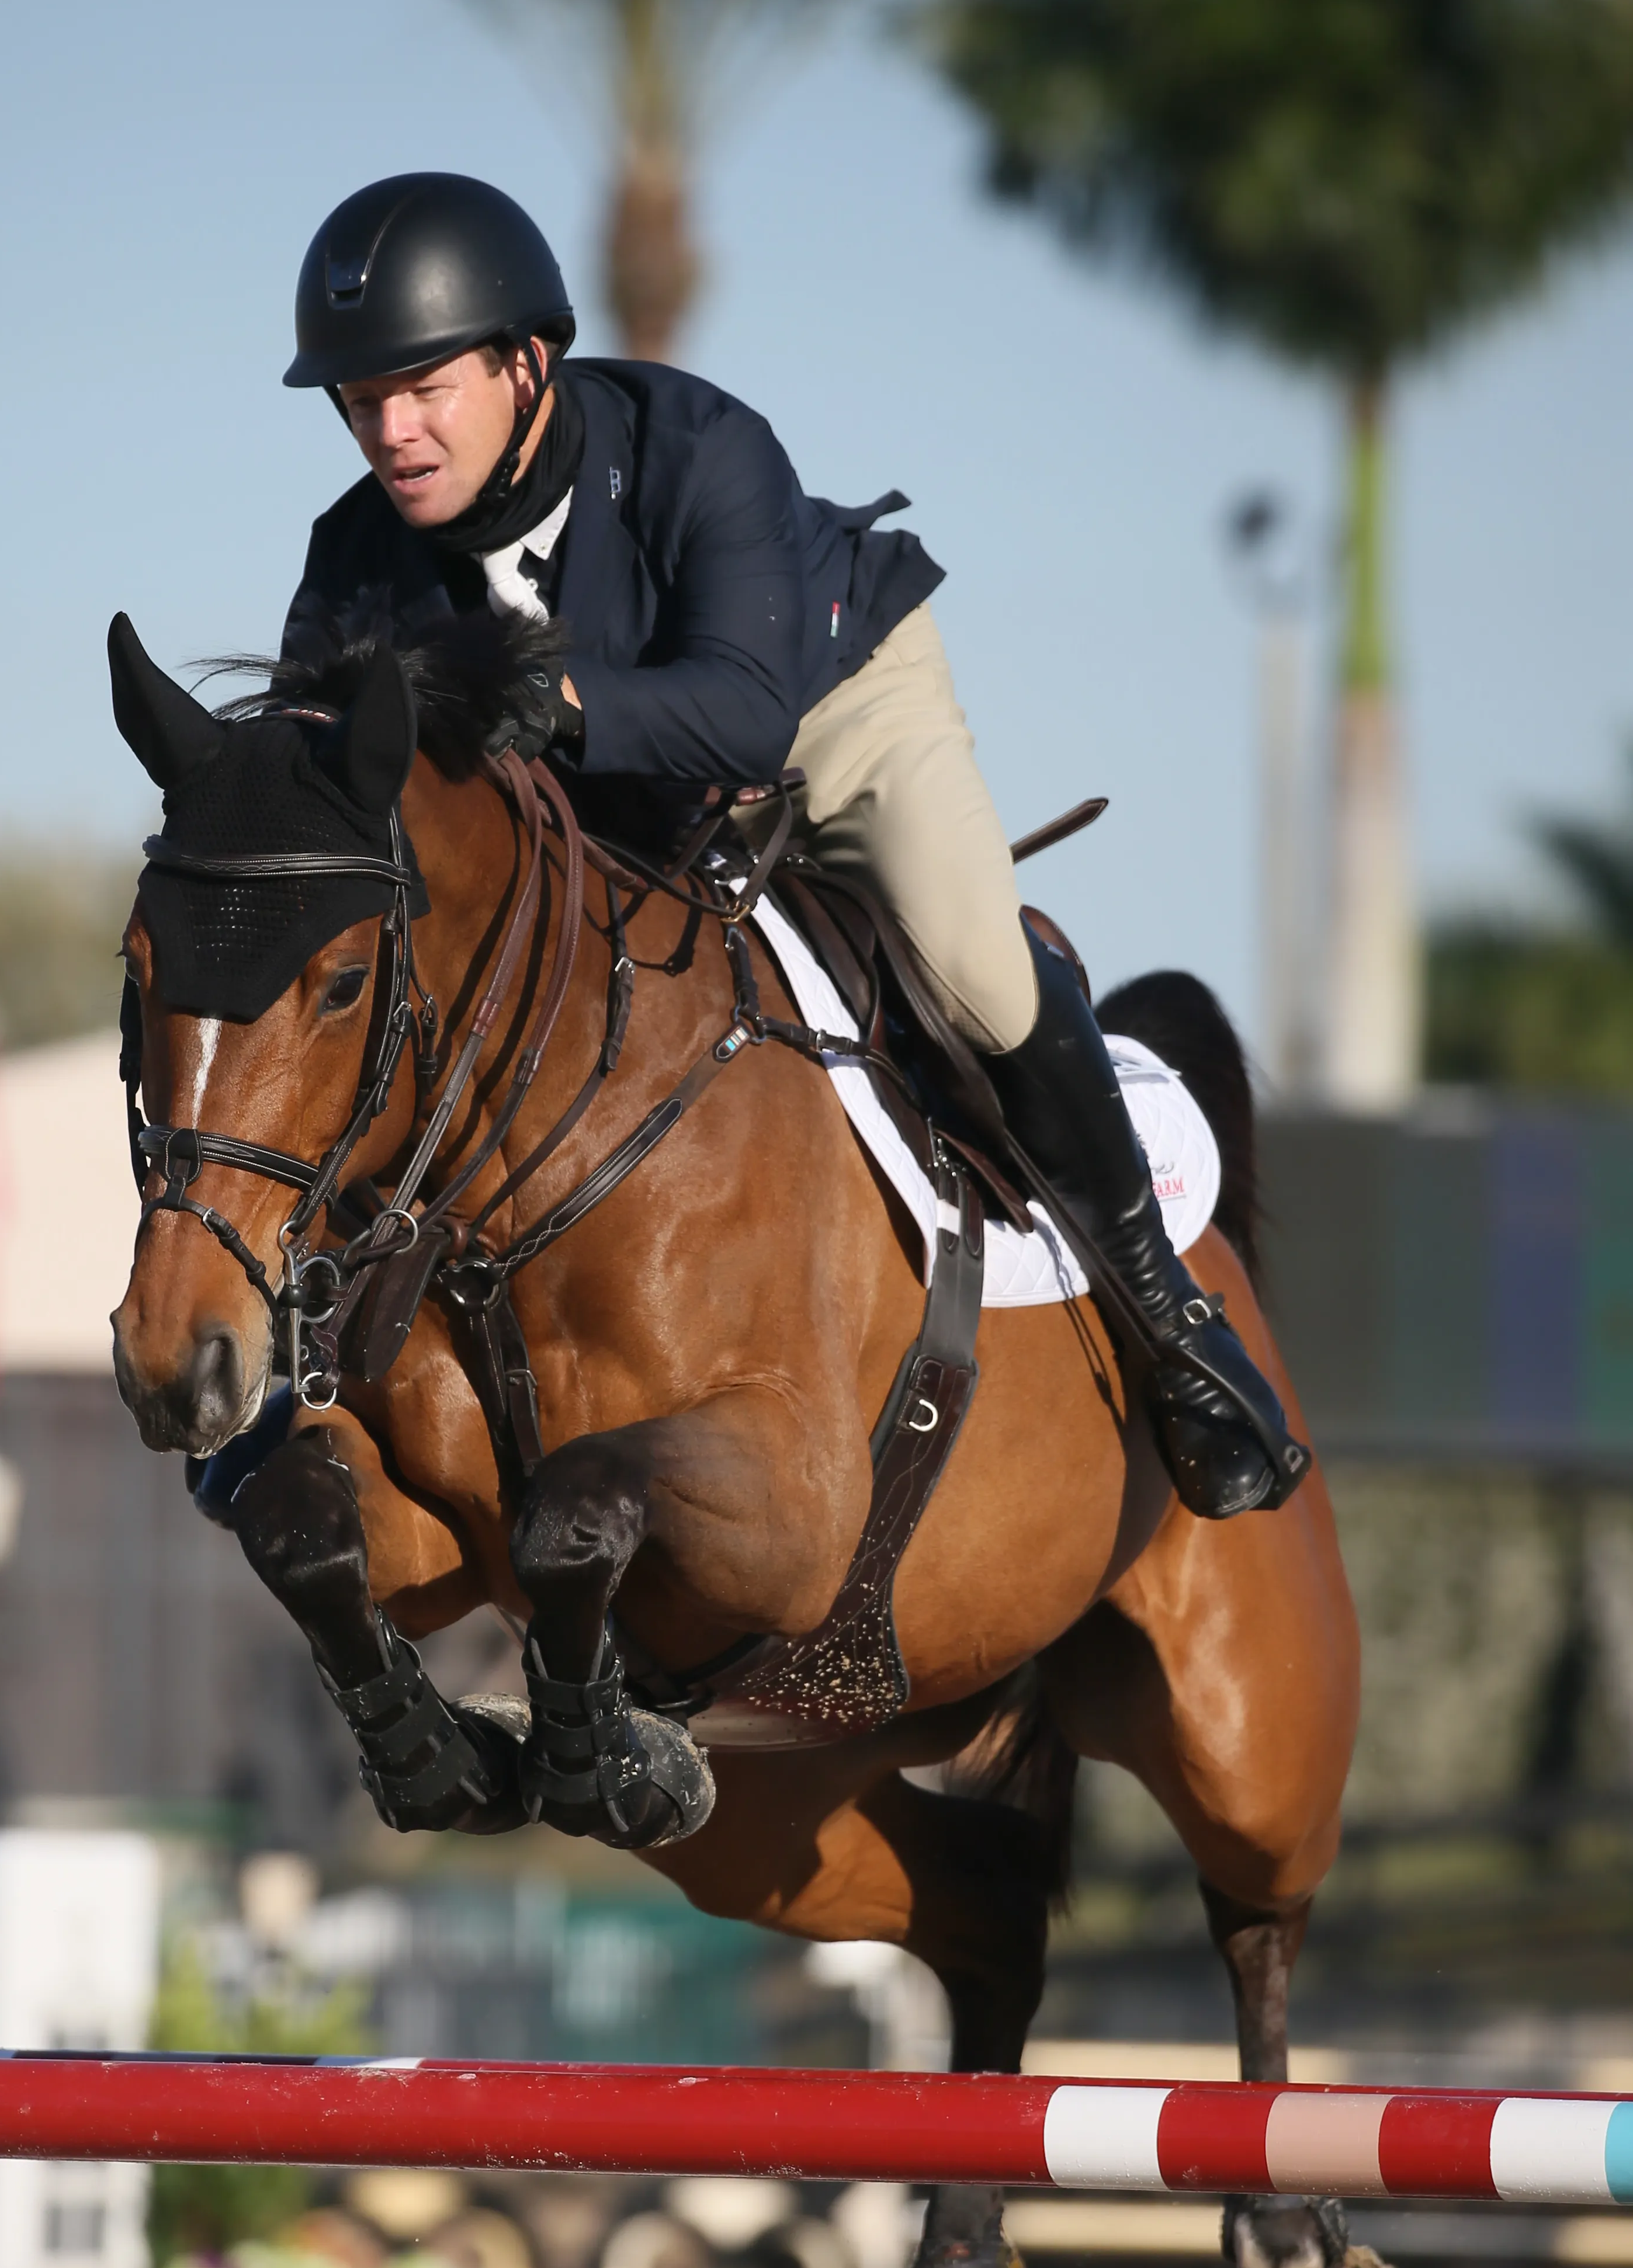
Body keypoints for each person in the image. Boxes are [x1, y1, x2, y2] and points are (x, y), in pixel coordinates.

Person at [276, 172, 1301, 1520]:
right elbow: (325, 796)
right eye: (362, 404)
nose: (390, 433)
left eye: (423, 391)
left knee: (975, 965)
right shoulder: (353, 561)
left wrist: (560, 701)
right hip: (616, 806)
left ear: (527, 363)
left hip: (829, 705)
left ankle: (1174, 1324)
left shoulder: (698, 445)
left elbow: (746, 714)